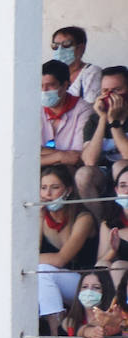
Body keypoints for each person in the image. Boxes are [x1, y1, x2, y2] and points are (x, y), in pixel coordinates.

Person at [37, 163, 98, 337]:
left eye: (55, 187)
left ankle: (57, 337)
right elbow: (33, 250)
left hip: (86, 284)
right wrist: (39, 216)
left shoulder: (83, 218)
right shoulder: (41, 216)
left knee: (43, 270)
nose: (48, 194)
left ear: (68, 190)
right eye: (43, 188)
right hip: (56, 282)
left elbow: (61, 259)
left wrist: (26, 259)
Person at [53, 269, 127, 338]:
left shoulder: (115, 322)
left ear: (106, 291)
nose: (89, 292)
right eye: (84, 287)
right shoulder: (68, 324)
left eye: (96, 287)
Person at [80, 67, 128, 205]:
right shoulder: (94, 121)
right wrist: (103, 119)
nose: (110, 95)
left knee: (119, 166)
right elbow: (89, 161)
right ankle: (98, 217)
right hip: (103, 173)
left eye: (117, 90)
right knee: (83, 175)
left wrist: (114, 122)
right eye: (105, 91)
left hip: (124, 171)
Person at [41, 59, 92, 169]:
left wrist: (41, 152)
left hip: (70, 171)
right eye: (40, 85)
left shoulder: (83, 109)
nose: (44, 90)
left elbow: (77, 157)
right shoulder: (33, 109)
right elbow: (26, 152)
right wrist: (60, 156)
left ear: (65, 85)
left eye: (50, 85)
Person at [97, 160, 128, 291]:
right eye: (123, 186)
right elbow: (100, 262)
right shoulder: (109, 221)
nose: (126, 191)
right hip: (121, 275)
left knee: (118, 266)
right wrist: (113, 250)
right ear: (116, 190)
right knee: (103, 265)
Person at [52, 25, 102, 103]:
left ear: (80, 48)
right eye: (55, 45)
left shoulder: (91, 72)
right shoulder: (48, 73)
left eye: (66, 44)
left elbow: (90, 105)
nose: (59, 50)